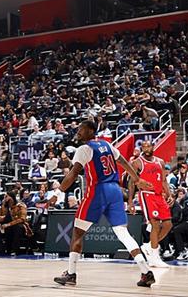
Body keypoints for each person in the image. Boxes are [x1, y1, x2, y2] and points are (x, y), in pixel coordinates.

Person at [51, 120, 155, 288]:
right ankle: (146, 272)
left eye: (82, 129)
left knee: (77, 233)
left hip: (98, 191)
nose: (78, 131)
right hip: (115, 191)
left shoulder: (84, 149)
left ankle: (71, 274)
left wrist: (57, 193)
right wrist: (137, 179)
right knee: (123, 233)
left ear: (91, 131)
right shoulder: (107, 146)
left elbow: (73, 173)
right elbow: (123, 162)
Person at [127, 141, 173, 268]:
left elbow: (163, 180)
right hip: (146, 194)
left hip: (159, 195)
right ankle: (154, 257)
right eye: (143, 147)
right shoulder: (137, 162)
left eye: (148, 146)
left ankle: (149, 246)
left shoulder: (160, 162)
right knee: (155, 224)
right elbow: (131, 182)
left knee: (168, 224)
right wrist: (130, 201)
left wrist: (169, 194)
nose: (146, 149)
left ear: (153, 147)